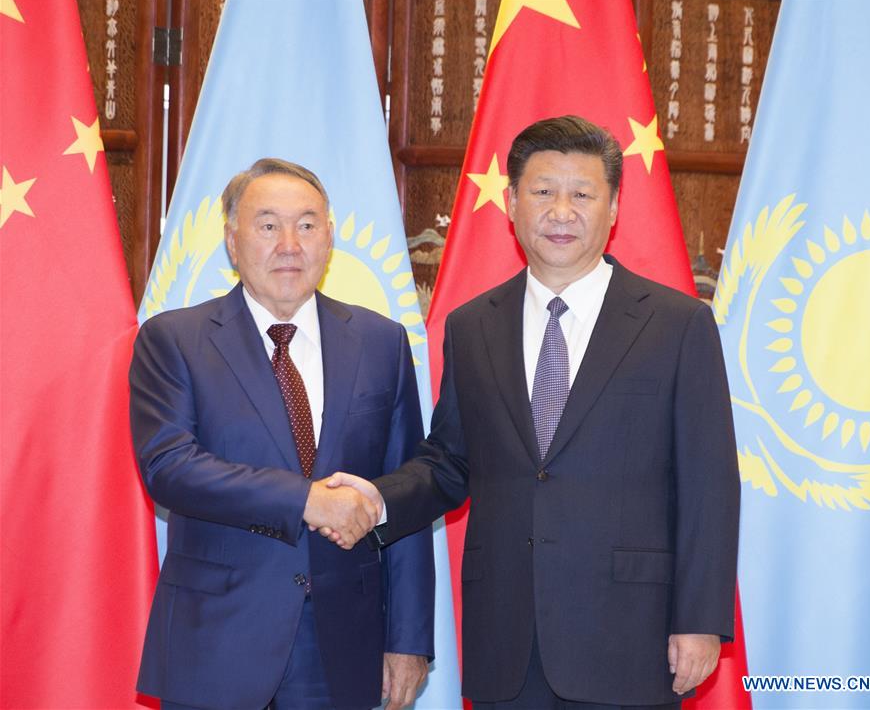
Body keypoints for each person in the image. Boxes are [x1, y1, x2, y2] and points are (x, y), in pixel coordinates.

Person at [326, 116, 740, 709]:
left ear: (615, 206)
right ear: (513, 203)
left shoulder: (677, 324)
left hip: (631, 637)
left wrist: (700, 620)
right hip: (508, 638)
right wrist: (376, 499)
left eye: (583, 194)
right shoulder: (473, 326)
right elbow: (448, 462)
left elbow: (709, 483)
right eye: (543, 192)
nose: (562, 211)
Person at [129, 158, 434, 710]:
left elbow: (406, 492)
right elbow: (170, 469)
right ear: (232, 240)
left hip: (343, 646)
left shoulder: (381, 342)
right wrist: (306, 501)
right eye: (268, 225)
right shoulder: (174, 340)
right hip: (216, 642)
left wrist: (409, 641)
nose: (289, 244)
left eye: (308, 224)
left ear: (330, 237)